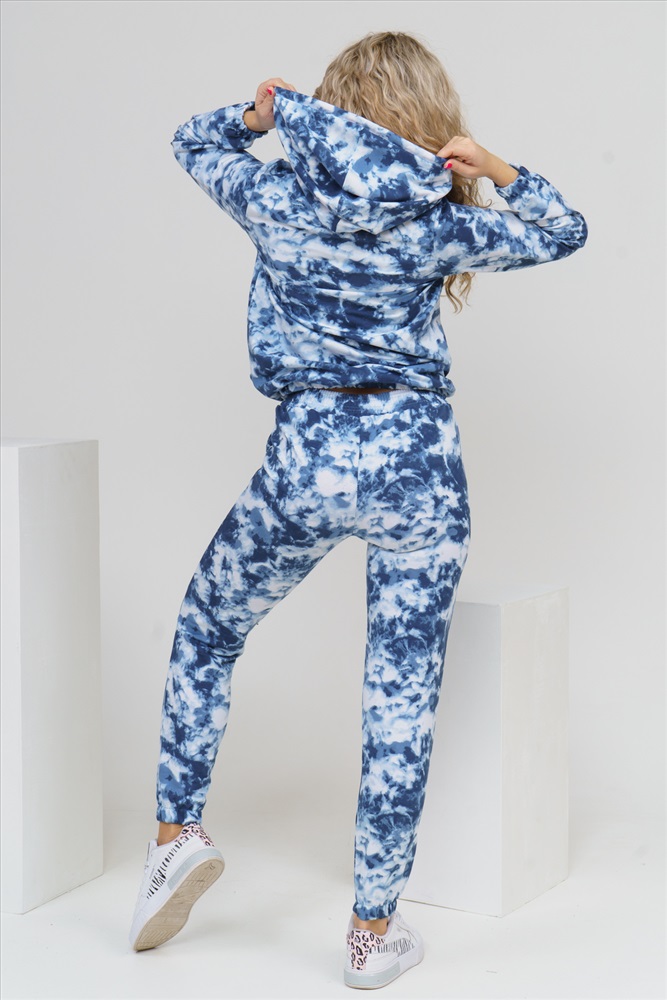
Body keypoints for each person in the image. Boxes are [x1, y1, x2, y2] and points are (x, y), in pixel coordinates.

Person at [128, 30, 588, 990]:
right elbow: (562, 231)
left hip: (308, 458)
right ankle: (372, 934)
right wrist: (493, 166)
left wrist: (256, 117)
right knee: (400, 699)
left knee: (209, 630)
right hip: (419, 471)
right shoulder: (436, 219)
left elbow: (189, 143)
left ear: (332, 105)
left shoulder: (276, 197)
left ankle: (175, 837)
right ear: (428, 116)